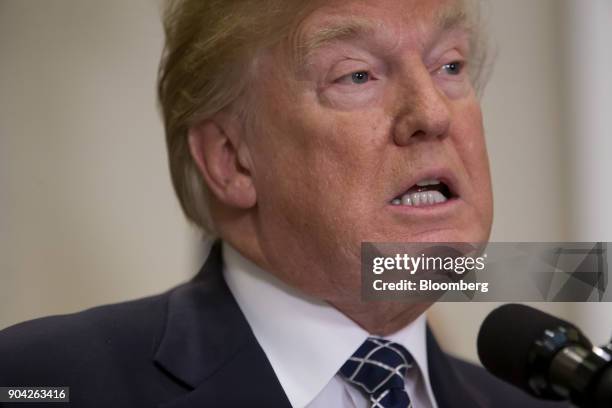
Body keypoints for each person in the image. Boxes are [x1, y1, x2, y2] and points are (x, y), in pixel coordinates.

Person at [0, 0, 569, 407]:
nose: (433, 114)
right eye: (357, 75)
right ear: (231, 159)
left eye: (450, 66)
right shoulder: (43, 379)